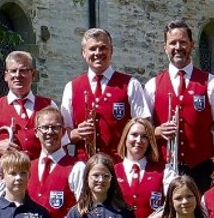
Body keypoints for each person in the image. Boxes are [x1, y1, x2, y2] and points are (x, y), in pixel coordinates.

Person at [148, 21, 214, 188]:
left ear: (192, 45)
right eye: (172, 43)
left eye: (183, 42)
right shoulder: (152, 85)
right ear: (165, 47)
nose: (178, 47)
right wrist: (157, 131)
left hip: (201, 169)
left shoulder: (211, 82)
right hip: (163, 168)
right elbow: (143, 130)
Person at [63, 27, 152, 160]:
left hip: (120, 165)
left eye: (102, 48)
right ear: (83, 53)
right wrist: (76, 133)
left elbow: (144, 127)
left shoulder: (130, 84)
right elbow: (62, 133)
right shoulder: (71, 87)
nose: (98, 53)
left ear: (111, 51)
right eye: (92, 49)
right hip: (84, 167)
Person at [0, 49, 54, 163]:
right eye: (13, 71)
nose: (17, 75)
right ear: (5, 76)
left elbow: (60, 144)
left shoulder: (49, 106)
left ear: (33, 74)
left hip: (40, 176)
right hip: (5, 177)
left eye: (23, 71)